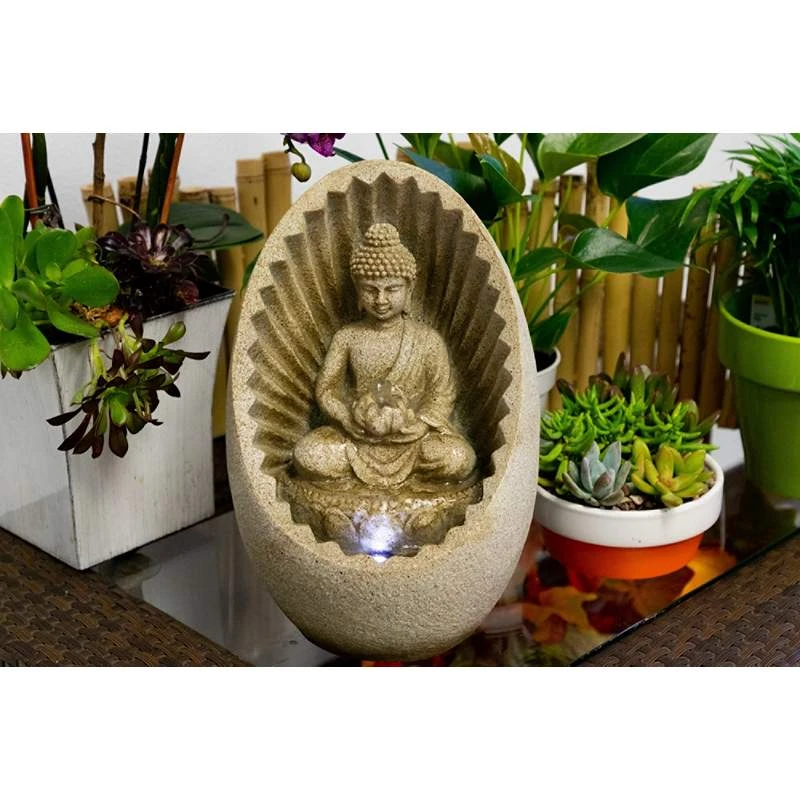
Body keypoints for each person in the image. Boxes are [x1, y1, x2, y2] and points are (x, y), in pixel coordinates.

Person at [293, 222, 476, 488]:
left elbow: (443, 393)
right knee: (309, 454)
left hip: (412, 439)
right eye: (370, 289)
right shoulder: (347, 337)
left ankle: (414, 477)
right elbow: (326, 390)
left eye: (391, 289)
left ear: (409, 289)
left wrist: (422, 424)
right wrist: (346, 417)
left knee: (458, 458)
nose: (380, 299)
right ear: (358, 290)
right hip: (357, 436)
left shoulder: (427, 340)